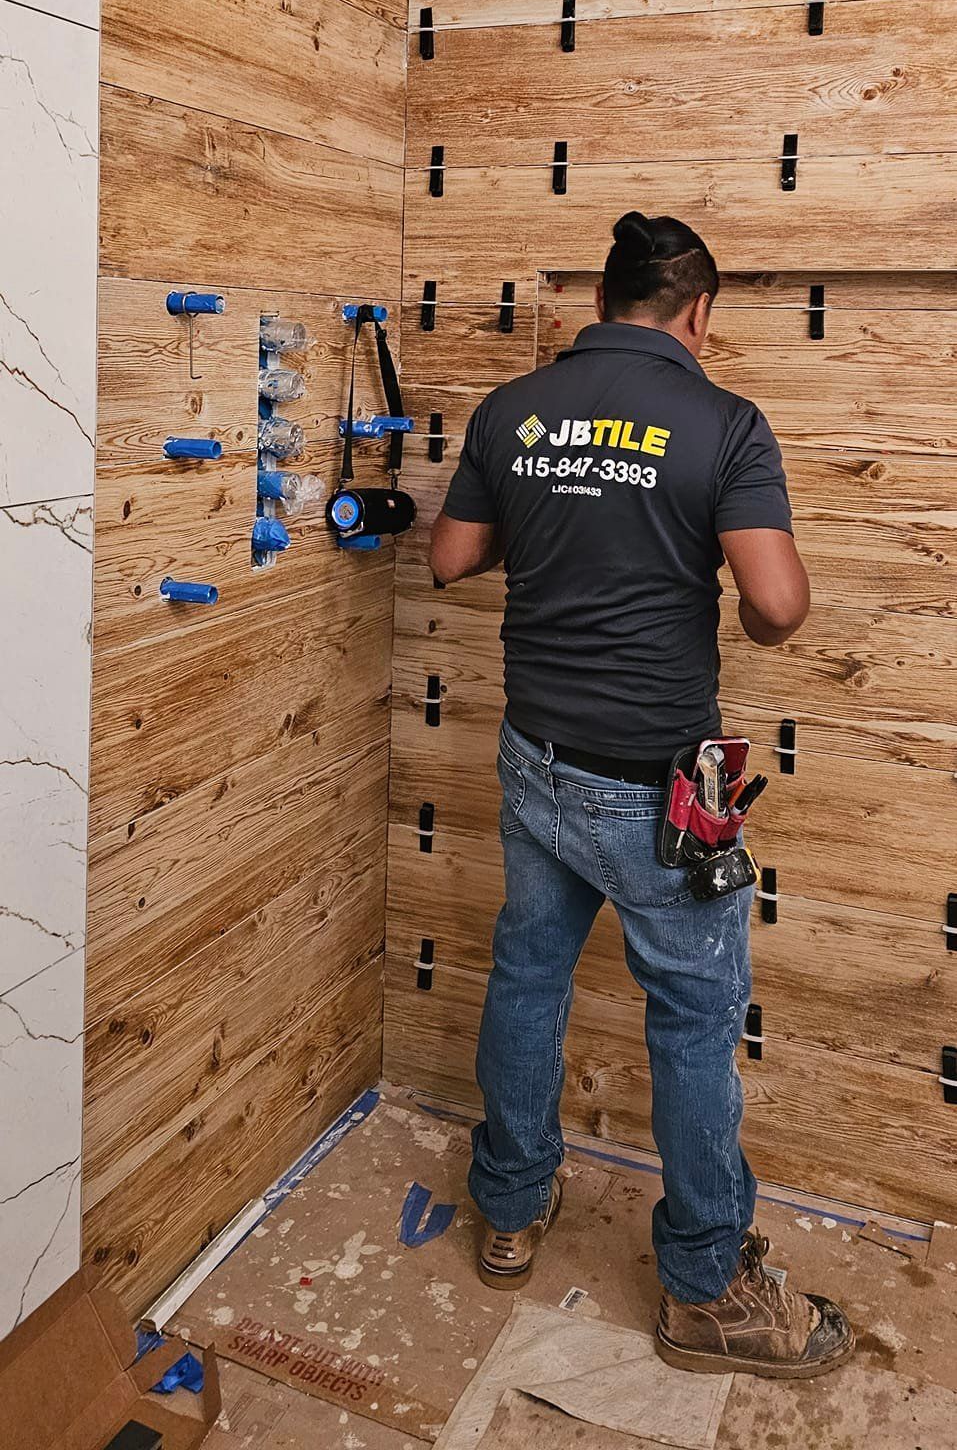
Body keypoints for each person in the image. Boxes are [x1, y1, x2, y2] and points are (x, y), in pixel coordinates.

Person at [428, 210, 854, 1379]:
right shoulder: (724, 422)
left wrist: (562, 520)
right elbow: (775, 607)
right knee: (696, 1022)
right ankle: (708, 1286)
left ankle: (510, 1210)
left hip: (533, 758)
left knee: (527, 972)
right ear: (698, 313)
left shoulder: (513, 410)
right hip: (652, 788)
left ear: (600, 302)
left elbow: (450, 557)